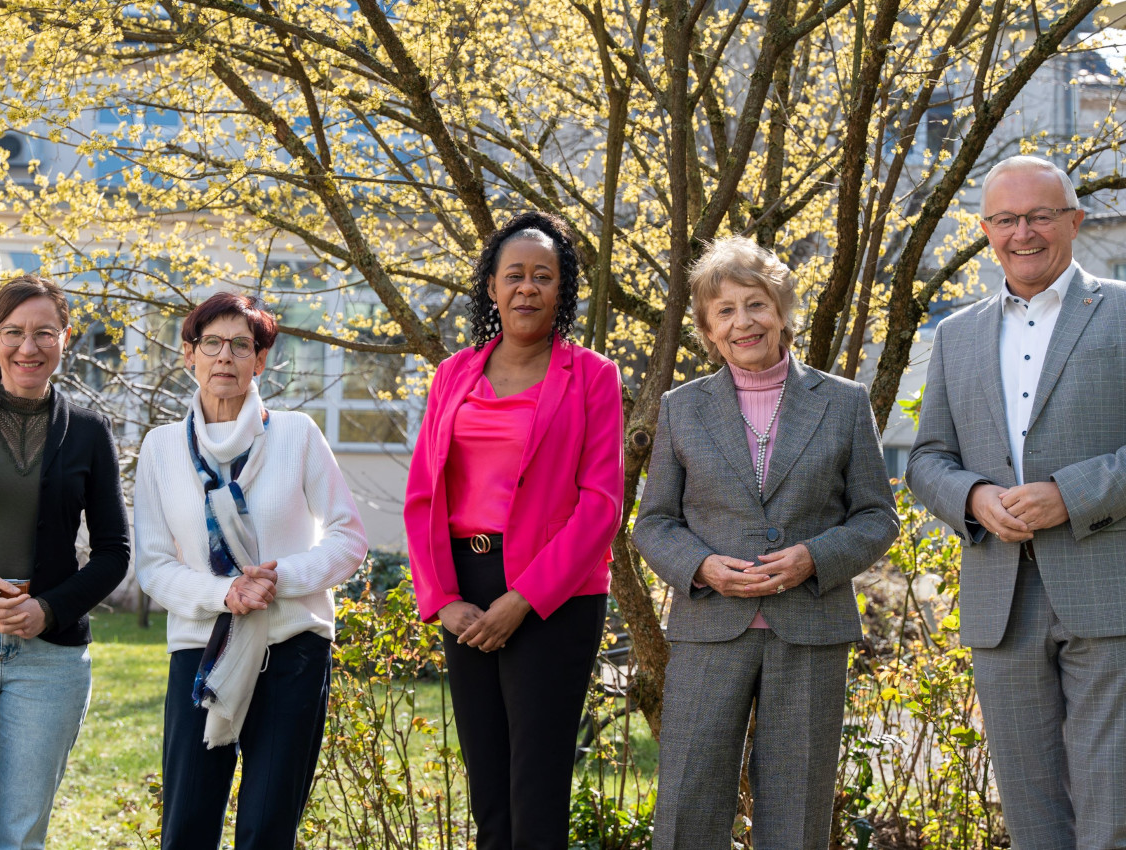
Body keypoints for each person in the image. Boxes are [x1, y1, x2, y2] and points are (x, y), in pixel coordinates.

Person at [633, 236, 898, 850]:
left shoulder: (843, 402)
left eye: (755, 304)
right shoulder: (682, 408)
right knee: (687, 800)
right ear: (707, 328)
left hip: (810, 628)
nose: (742, 322)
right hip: (709, 628)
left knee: (798, 809)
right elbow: (653, 523)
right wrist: (701, 566)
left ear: (781, 311)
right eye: (723, 311)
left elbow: (877, 516)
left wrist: (814, 558)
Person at [906, 155, 1126, 849]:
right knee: (1032, 820)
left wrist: (1072, 495)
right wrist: (971, 496)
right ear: (986, 230)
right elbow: (926, 461)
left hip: (1108, 590)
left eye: (1038, 216)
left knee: (1110, 810)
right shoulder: (957, 335)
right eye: (1005, 219)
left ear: (1074, 221)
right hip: (1001, 600)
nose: (1022, 232)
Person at [404, 211, 624, 849]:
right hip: (464, 588)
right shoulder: (454, 374)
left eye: (543, 276)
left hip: (553, 594)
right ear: (492, 288)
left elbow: (602, 505)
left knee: (536, 781)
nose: (527, 287)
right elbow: (424, 495)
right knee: (487, 783)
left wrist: (520, 600)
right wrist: (443, 600)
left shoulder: (592, 376)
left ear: (563, 290)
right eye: (514, 275)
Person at [133, 292, 367, 850]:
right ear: (188, 354)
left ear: (260, 360)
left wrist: (278, 577)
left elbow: (348, 537)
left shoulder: (297, 434)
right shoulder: (161, 448)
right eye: (211, 343)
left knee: (267, 828)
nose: (225, 357)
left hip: (291, 649)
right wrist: (226, 593)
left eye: (242, 345)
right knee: (186, 825)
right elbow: (154, 565)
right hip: (201, 651)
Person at [0, 275, 130, 849]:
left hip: (50, 657)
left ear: (66, 338)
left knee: (22, 837)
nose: (28, 347)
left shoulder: (89, 432)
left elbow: (115, 551)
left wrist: (48, 610)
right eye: (13, 331)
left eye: (44, 332)